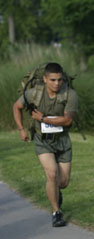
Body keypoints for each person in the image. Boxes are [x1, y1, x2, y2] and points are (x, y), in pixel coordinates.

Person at [13, 62, 78, 228]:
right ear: (44, 79)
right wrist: (21, 129)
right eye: (53, 80)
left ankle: (56, 193)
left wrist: (42, 118)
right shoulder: (34, 93)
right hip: (42, 140)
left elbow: (68, 120)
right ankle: (56, 212)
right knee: (51, 174)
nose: (57, 84)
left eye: (59, 80)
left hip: (62, 140)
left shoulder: (70, 94)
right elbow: (17, 107)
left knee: (63, 182)